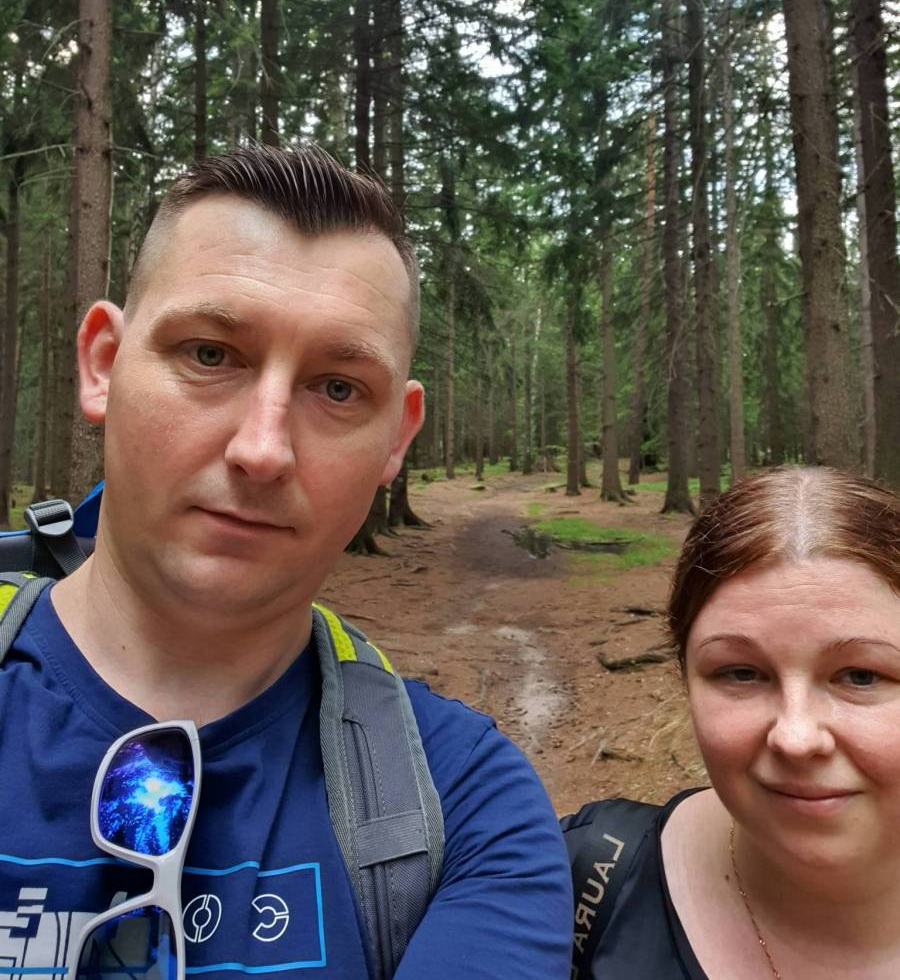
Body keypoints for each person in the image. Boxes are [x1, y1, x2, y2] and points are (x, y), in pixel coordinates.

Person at [0, 144, 572, 978]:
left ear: (397, 438)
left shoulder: (468, 809)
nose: (263, 450)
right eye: (209, 355)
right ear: (103, 364)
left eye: (338, 388)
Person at [563, 465, 900, 979]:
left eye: (861, 676)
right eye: (742, 673)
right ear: (686, 681)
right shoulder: (575, 885)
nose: (795, 737)